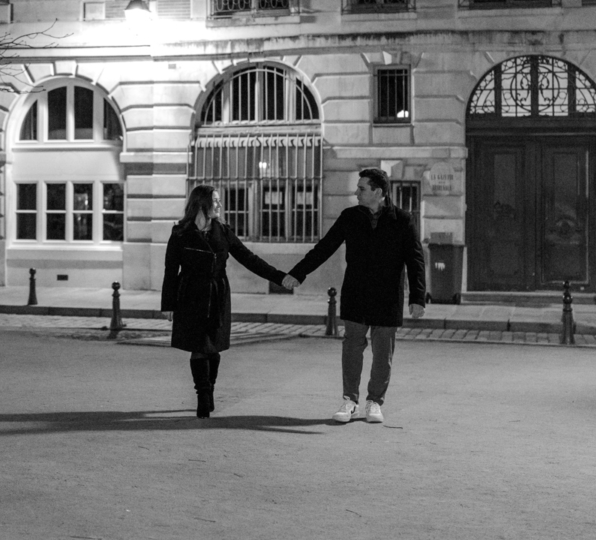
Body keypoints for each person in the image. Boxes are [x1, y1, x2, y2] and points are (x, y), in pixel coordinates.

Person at [281, 168, 426, 425]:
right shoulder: (350, 217)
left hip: (387, 296)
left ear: (378, 192)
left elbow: (415, 260)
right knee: (352, 347)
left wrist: (417, 297)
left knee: (383, 352)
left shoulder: (402, 220)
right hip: (356, 293)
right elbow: (325, 247)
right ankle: (350, 401)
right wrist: (297, 274)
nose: (356, 192)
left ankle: (374, 402)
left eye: (361, 188)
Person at [161, 185, 287, 418]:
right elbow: (170, 270)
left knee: (214, 348)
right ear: (202, 204)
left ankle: (209, 388)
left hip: (218, 294)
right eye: (216, 201)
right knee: (199, 347)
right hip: (191, 295)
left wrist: (280, 277)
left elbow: (249, 259)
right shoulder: (180, 233)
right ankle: (203, 395)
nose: (220, 205)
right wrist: (168, 304)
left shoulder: (224, 231)